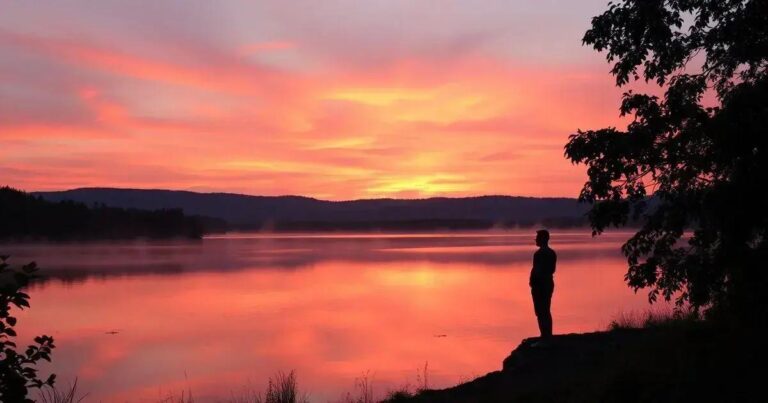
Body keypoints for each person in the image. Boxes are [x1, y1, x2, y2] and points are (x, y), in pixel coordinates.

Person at [530, 229, 556, 339]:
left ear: (543, 239)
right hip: (547, 284)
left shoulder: (540, 254)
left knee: (541, 312)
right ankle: (546, 336)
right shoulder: (551, 253)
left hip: (541, 286)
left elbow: (538, 270)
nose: (535, 240)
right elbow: (552, 270)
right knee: (545, 311)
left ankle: (545, 337)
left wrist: (535, 282)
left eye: (537, 237)